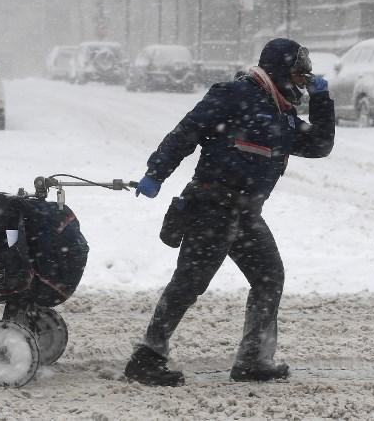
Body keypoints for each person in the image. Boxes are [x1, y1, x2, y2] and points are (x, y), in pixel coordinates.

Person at [123, 38, 336, 386]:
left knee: (269, 278)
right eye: (299, 76)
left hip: (247, 214)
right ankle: (146, 358)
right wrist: (155, 174)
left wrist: (323, 102)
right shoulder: (234, 95)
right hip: (212, 206)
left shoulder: (283, 114)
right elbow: (185, 133)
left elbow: (320, 146)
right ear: (281, 71)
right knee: (189, 283)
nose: (302, 83)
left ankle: (253, 360)